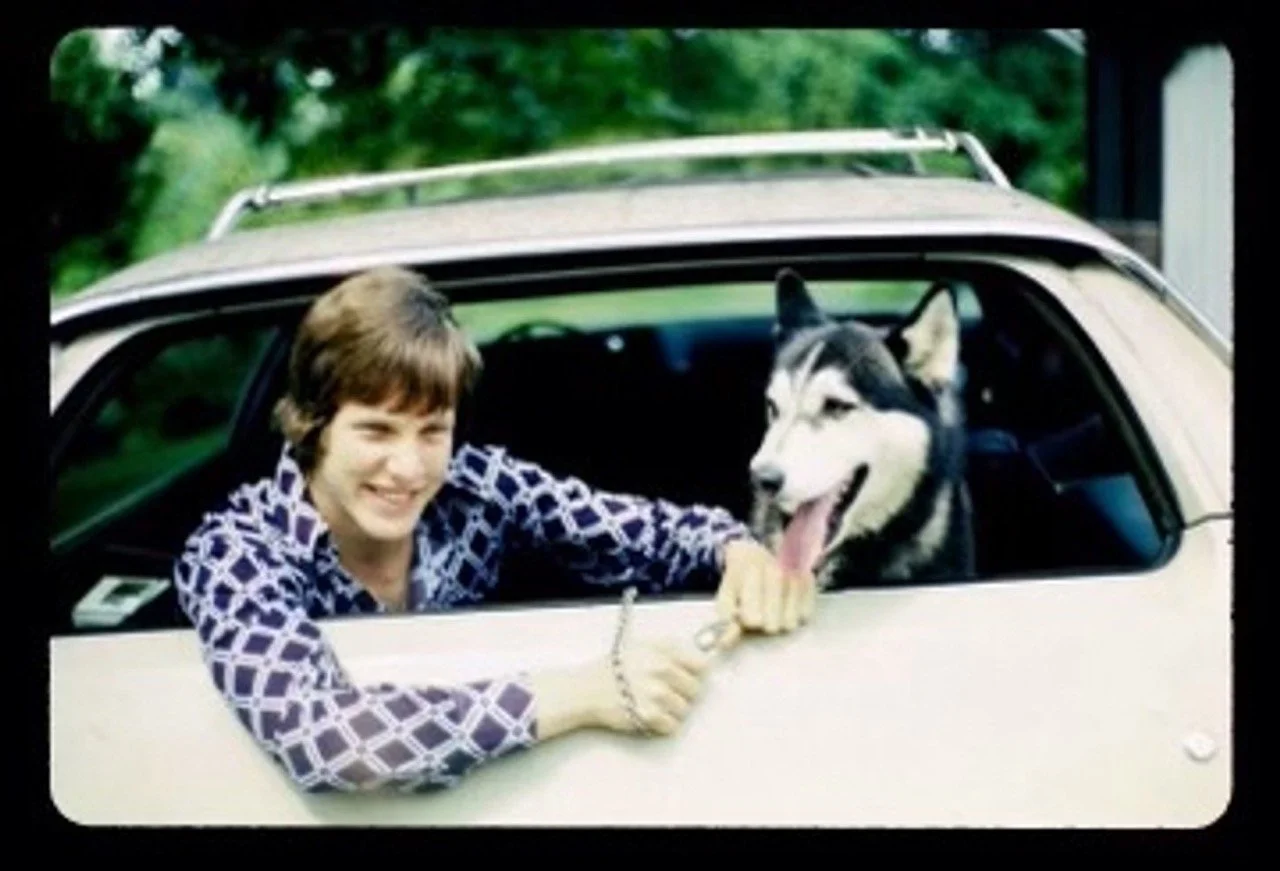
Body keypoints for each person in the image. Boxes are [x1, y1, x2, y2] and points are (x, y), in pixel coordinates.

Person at [172, 266, 814, 794]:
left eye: (432, 431)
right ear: (312, 423)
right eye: (377, 431)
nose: (409, 467)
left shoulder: (477, 484)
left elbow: (648, 532)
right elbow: (331, 741)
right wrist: (587, 692)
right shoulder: (234, 552)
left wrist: (734, 548)